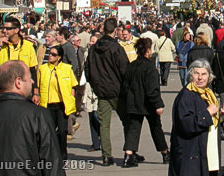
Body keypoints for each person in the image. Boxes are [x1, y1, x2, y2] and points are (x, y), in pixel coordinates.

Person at [0, 60, 64, 175]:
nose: (32, 81)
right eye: (29, 78)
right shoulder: (38, 116)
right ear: (18, 82)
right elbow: (53, 165)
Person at [169, 60, 224, 176]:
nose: (200, 78)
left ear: (209, 76)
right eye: (197, 73)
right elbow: (186, 124)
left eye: (204, 74)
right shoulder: (187, 95)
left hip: (207, 153)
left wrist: (219, 114)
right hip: (191, 155)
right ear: (191, 75)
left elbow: (209, 117)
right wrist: (207, 113)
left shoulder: (207, 93)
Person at [85, 17, 129, 166]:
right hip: (117, 90)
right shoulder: (116, 48)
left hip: (101, 90)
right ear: (115, 30)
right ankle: (129, 152)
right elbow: (125, 69)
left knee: (104, 124)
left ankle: (106, 155)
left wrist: (95, 84)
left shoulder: (93, 48)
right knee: (127, 121)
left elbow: (87, 69)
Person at [121, 37, 170, 168]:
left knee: (133, 129)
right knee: (156, 128)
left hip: (134, 102)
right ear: (148, 51)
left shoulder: (131, 66)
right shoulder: (150, 68)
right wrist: (158, 104)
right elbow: (152, 89)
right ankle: (165, 153)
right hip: (148, 103)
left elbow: (125, 86)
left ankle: (128, 155)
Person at [37, 45, 78, 161]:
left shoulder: (66, 68)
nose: (50, 56)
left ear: (59, 57)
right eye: (50, 53)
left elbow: (73, 86)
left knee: (61, 131)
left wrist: (71, 99)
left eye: (54, 54)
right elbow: (38, 85)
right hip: (47, 105)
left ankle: (62, 154)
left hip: (62, 105)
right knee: (48, 132)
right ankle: (48, 155)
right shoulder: (43, 69)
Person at [0, 17, 39, 104]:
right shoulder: (0, 45)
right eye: (4, 28)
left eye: (8, 29)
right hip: (4, 91)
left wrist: (36, 93)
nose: (4, 31)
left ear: (16, 30)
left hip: (23, 90)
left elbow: (33, 71)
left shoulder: (28, 46)